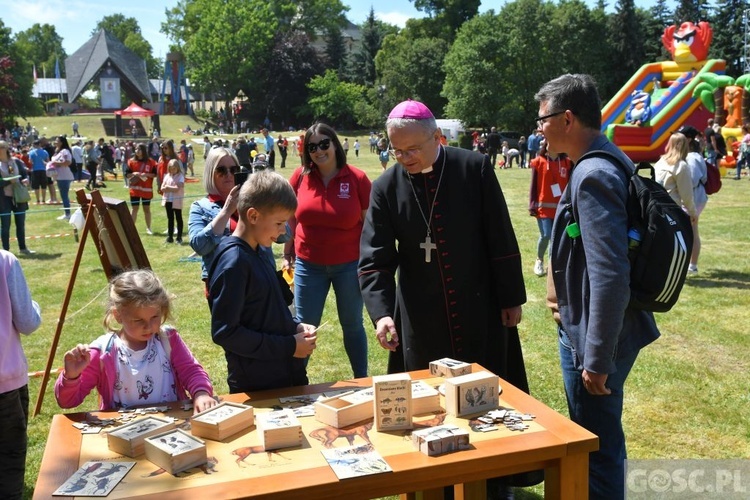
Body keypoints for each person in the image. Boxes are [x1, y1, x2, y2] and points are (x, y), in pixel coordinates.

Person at [358, 101, 536, 494]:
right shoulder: (386, 187)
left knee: (487, 396)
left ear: (435, 137)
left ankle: (495, 479)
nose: (403, 159)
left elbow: (501, 238)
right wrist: (382, 314)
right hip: (421, 317)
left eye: (411, 150)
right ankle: (433, 482)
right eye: (396, 151)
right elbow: (374, 260)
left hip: (479, 305)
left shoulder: (473, 168)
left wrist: (511, 298)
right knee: (429, 405)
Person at [536, 73, 660, 499]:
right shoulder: (607, 158)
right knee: (602, 440)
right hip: (596, 330)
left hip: (593, 336)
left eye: (543, 119)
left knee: (596, 450)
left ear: (567, 118)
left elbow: (609, 273)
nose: (539, 128)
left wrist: (597, 355)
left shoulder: (592, 173)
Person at [208, 170, 318, 393]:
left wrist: (294, 326)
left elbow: (268, 311)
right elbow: (226, 332)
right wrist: (289, 346)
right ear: (254, 216)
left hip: (284, 376)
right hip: (258, 385)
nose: (282, 233)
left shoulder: (259, 251)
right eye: (279, 223)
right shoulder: (234, 262)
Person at [55, 269, 217, 414]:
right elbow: (67, 402)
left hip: (172, 428)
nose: (149, 326)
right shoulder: (102, 351)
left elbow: (191, 371)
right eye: (138, 320)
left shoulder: (168, 339)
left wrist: (201, 393)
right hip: (125, 436)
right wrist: (71, 376)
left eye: (155, 317)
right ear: (118, 315)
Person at [283, 123, 371, 378]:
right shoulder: (300, 177)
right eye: (312, 147)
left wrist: (370, 261)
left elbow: (369, 224)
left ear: (334, 144)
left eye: (324, 144)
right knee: (303, 327)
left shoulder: (357, 178)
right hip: (309, 265)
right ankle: (294, 380)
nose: (319, 151)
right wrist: (287, 253)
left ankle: (361, 378)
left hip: (349, 264)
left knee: (352, 324)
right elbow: (290, 219)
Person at [0, 249, 42, 499]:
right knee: (9, 457)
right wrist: (34, 306)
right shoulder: (5, 261)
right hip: (5, 385)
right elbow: (28, 321)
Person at [529, 139, 571, 277]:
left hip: (561, 208)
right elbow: (533, 186)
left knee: (557, 238)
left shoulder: (567, 162)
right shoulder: (538, 162)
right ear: (545, 146)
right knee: (546, 235)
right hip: (543, 208)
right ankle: (539, 260)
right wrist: (532, 205)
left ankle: (553, 265)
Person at [678, 126, 707, 274]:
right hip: (695, 198)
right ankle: (691, 265)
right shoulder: (693, 156)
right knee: (692, 231)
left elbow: (693, 180)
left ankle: (690, 265)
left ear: (688, 139)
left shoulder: (692, 158)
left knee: (688, 233)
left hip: (693, 199)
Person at [654, 132, 697, 224]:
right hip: (672, 210)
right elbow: (686, 194)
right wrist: (693, 212)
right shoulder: (681, 166)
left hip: (656, 207)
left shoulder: (660, 162)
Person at [0, 143, 34, 255]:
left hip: (19, 196)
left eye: (2, 147)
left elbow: (25, 174)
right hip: (3, 199)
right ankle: (6, 251)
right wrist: (9, 181)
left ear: (6, 149)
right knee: (5, 225)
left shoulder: (16, 161)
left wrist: (26, 180)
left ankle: (23, 248)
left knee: (20, 224)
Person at [126, 144, 157, 235]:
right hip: (135, 190)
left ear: (144, 151)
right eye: (136, 149)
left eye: (139, 149)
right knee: (134, 209)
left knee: (146, 209)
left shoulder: (151, 162)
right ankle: (131, 229)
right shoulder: (131, 161)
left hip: (146, 190)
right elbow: (127, 174)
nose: (137, 151)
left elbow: (155, 174)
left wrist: (146, 175)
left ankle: (148, 228)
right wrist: (134, 173)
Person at [50, 136, 74, 220]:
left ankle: (67, 214)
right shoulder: (58, 151)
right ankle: (66, 213)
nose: (55, 142)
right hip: (59, 176)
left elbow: (68, 162)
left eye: (57, 141)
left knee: (64, 196)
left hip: (64, 176)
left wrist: (55, 163)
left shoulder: (65, 151)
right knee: (63, 195)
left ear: (62, 142)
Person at [161, 159, 185, 244]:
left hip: (176, 201)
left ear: (177, 168)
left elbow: (177, 189)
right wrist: (167, 188)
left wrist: (168, 187)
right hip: (168, 201)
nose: (172, 170)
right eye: (171, 168)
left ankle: (179, 237)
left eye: (174, 168)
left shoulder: (180, 176)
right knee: (170, 218)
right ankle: (170, 237)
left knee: (178, 218)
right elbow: (162, 188)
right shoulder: (167, 176)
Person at [28, 139, 50, 204]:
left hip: (35, 170)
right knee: (43, 185)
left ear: (34, 145)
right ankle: (43, 199)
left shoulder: (31, 152)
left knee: (36, 186)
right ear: (39, 144)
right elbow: (48, 161)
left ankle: (38, 200)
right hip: (43, 170)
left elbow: (30, 161)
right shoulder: (45, 152)